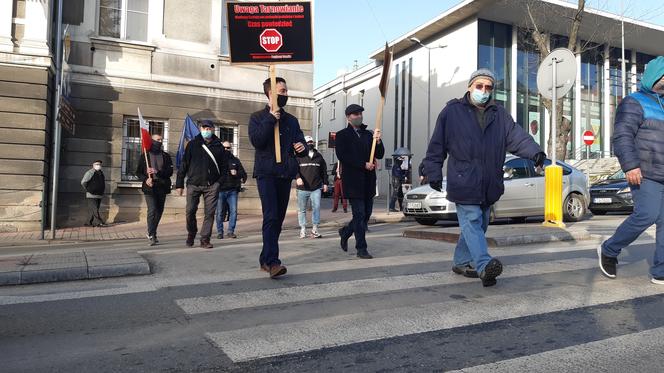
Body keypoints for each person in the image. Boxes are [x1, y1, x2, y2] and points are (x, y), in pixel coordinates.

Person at [423, 68, 545, 287]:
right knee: (471, 221)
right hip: (464, 179)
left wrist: (535, 152)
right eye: (479, 86)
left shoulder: (500, 115)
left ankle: (461, 261)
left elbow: (517, 138)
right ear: (470, 87)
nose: (484, 90)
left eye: (488, 87)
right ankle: (483, 265)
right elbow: (437, 145)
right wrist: (432, 171)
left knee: (478, 225)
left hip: (490, 181)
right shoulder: (451, 112)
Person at [598, 56, 664, 284]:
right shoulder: (634, 102)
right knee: (647, 214)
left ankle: (661, 271)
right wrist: (631, 165)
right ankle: (609, 249)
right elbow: (622, 135)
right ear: (656, 76)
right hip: (645, 172)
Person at [249, 76, 306, 278]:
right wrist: (271, 118)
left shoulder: (291, 120)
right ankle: (273, 262)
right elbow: (257, 140)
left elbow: (301, 144)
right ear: (271, 93)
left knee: (278, 219)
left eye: (286, 91)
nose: (286, 94)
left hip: (284, 173)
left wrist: (302, 147)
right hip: (266, 173)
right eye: (282, 91)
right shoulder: (257, 117)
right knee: (271, 216)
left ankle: (265, 258)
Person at [336, 104, 384, 259]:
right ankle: (361, 248)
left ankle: (346, 231)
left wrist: (378, 142)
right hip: (353, 181)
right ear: (348, 117)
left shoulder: (368, 134)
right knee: (359, 213)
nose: (359, 116)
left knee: (365, 215)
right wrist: (363, 164)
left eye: (360, 114)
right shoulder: (342, 135)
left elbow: (380, 154)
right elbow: (343, 156)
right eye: (355, 114)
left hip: (368, 181)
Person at [176, 121, 228, 249]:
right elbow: (184, 164)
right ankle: (191, 233)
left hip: (211, 186)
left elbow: (224, 168)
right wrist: (179, 184)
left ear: (213, 129)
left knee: (209, 213)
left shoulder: (219, 146)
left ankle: (205, 239)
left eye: (209, 128)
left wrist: (218, 183)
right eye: (204, 128)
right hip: (193, 184)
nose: (206, 130)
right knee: (190, 211)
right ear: (200, 129)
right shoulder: (193, 144)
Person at [136, 134, 173, 246]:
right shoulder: (145, 156)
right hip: (150, 187)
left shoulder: (166, 156)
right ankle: (151, 234)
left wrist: (157, 171)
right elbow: (138, 172)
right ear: (152, 141)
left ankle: (153, 232)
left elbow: (170, 172)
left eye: (161, 140)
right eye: (157, 140)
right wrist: (146, 179)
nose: (160, 141)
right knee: (152, 210)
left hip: (162, 186)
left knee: (159, 211)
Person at [296, 135, 329, 238]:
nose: (310, 143)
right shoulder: (298, 157)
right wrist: (297, 177)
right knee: (302, 209)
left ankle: (315, 230)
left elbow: (324, 171)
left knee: (317, 207)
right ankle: (303, 229)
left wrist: (325, 183)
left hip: (316, 188)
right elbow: (294, 169)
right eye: (308, 142)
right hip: (302, 189)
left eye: (311, 142)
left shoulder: (319, 157)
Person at [216, 141, 247, 239]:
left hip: (232, 190)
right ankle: (220, 232)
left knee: (233, 211)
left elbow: (244, 174)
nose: (226, 150)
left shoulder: (235, 160)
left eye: (228, 148)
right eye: (224, 148)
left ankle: (230, 231)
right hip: (220, 190)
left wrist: (237, 174)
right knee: (220, 212)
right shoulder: (217, 160)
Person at [81, 160, 106, 227]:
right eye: (97, 164)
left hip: (99, 195)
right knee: (95, 209)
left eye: (100, 164)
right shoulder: (89, 172)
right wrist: (89, 190)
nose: (99, 165)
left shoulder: (101, 173)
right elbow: (83, 182)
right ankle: (100, 222)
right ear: (93, 165)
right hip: (91, 195)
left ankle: (88, 223)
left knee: (92, 210)